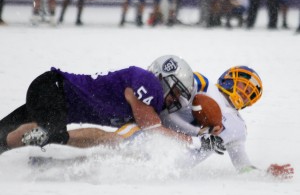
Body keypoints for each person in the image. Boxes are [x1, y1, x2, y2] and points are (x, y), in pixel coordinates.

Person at [0, 55, 195, 154]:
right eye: (175, 91)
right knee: (55, 134)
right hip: (53, 90)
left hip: (54, 98)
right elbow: (151, 127)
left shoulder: (148, 99)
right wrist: (190, 140)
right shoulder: (149, 82)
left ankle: (29, 139)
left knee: (3, 137)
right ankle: (47, 145)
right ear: (162, 77)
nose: (174, 99)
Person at [160, 66, 294, 178]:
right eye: (245, 85)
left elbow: (243, 166)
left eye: (251, 94)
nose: (246, 92)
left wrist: (266, 174)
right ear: (229, 78)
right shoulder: (202, 84)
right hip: (155, 129)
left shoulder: (238, 126)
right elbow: (163, 92)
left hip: (175, 165)